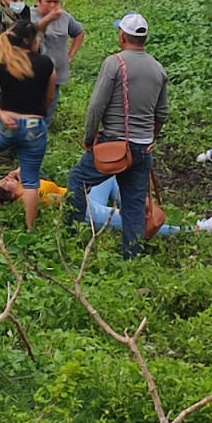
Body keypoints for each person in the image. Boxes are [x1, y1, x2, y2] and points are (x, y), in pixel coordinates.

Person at [65, 13, 168, 258]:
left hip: (114, 144)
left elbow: (96, 106)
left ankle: (73, 235)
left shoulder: (115, 63)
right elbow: (162, 114)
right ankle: (132, 256)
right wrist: (148, 138)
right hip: (143, 149)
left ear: (122, 36)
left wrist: (90, 138)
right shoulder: (158, 69)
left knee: (77, 181)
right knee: (133, 203)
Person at [0, 20, 55, 229]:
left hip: (7, 123)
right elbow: (49, 98)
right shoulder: (46, 63)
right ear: (29, 40)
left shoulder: (2, 60)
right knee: (31, 181)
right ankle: (29, 228)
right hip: (34, 125)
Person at [80, 177, 212, 238]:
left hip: (82, 198)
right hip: (85, 210)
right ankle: (193, 231)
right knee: (135, 219)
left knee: (108, 177)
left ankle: (142, 207)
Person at [34, 0, 85, 118]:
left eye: (56, 2)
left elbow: (79, 32)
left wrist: (71, 54)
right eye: (48, 2)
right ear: (38, 1)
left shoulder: (64, 17)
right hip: (34, 73)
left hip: (56, 73)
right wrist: (49, 18)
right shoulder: (30, 15)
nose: (52, 6)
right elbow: (32, 31)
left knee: (48, 110)